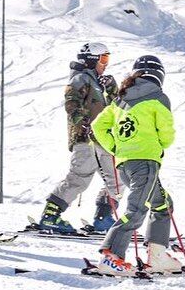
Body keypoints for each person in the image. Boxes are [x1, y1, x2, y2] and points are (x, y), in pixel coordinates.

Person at [91, 55, 184, 276]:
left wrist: (115, 147)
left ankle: (157, 256)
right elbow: (167, 132)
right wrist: (161, 144)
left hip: (125, 165)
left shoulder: (120, 99)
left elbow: (98, 125)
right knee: (136, 210)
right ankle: (111, 257)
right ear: (159, 75)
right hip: (146, 163)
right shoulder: (158, 97)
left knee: (162, 204)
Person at [38, 43, 126, 234]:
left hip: (103, 139)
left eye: (107, 58)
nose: (106, 63)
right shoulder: (81, 78)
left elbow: (116, 107)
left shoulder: (98, 82)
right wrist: (83, 123)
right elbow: (71, 103)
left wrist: (112, 88)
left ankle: (103, 217)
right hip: (86, 138)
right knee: (79, 178)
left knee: (118, 177)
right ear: (92, 60)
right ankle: (50, 216)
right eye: (103, 59)